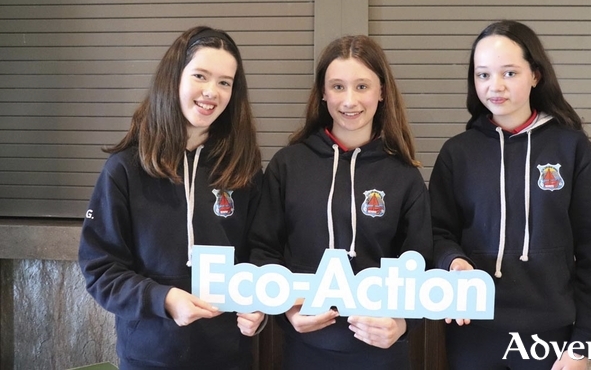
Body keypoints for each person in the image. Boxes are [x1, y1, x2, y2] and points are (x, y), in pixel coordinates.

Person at [430, 20, 591, 370]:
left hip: (549, 336)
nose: (495, 86)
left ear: (535, 75)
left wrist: (585, 343)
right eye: (483, 75)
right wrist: (452, 261)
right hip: (471, 332)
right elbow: (436, 232)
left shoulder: (573, 149)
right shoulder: (457, 153)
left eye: (509, 73)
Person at [79, 26, 265, 370]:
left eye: (225, 82)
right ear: (174, 78)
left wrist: (259, 303)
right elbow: (101, 269)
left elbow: (261, 251)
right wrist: (163, 299)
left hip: (229, 356)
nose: (211, 92)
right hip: (148, 356)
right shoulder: (125, 169)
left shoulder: (243, 167)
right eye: (200, 76)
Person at [249, 35, 432, 369]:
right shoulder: (288, 165)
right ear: (322, 93)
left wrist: (402, 324)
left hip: (382, 354)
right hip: (303, 351)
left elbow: (421, 265)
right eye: (337, 87)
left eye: (362, 86)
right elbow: (264, 250)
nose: (349, 100)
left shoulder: (404, 175)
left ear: (382, 92)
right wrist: (287, 309)